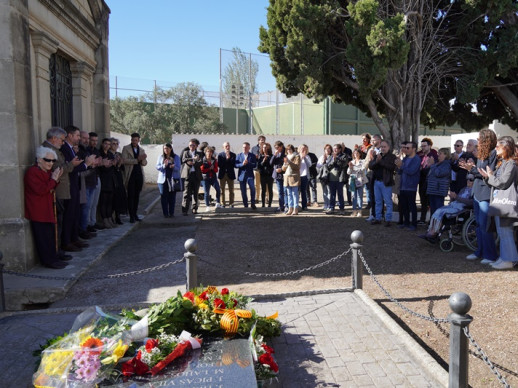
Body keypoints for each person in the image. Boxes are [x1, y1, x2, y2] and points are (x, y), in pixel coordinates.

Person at [478, 136, 517, 269]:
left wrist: (490, 177)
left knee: (506, 232)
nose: (496, 149)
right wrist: (487, 177)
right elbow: (496, 181)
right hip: (500, 202)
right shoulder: (504, 163)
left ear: (506, 147)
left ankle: (509, 260)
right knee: (501, 232)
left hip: (506, 203)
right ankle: (504, 257)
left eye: (498, 146)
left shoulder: (511, 163)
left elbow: (503, 183)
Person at [24, 146, 67, 268]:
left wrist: (55, 179)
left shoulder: (45, 172)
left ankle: (54, 256)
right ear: (39, 160)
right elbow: (41, 190)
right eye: (48, 160)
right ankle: (49, 260)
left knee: (50, 235)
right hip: (38, 210)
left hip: (47, 208)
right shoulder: (33, 172)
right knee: (43, 237)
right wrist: (54, 179)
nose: (51, 163)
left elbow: (51, 187)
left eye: (53, 161)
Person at [460, 129, 498, 264]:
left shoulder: (494, 154)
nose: (478, 142)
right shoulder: (481, 154)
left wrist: (472, 169)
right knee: (478, 224)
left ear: (486, 140)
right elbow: (479, 172)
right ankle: (480, 251)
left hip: (486, 194)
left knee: (485, 225)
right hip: (477, 193)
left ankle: (490, 254)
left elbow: (487, 174)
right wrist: (470, 168)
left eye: (480, 139)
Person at [60, 125, 95, 251]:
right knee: (69, 214)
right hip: (68, 185)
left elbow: (75, 167)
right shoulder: (64, 148)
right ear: (70, 135)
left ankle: (74, 239)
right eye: (77, 135)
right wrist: (87, 164)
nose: (79, 138)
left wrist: (86, 164)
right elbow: (71, 168)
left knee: (75, 213)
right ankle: (66, 241)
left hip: (75, 184)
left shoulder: (70, 148)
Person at [418, 177, 474, 243]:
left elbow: (471, 202)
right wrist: (452, 197)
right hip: (454, 205)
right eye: (467, 179)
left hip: (461, 208)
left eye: (470, 180)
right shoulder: (464, 189)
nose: (468, 181)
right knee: (438, 210)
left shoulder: (474, 191)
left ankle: (433, 233)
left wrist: (456, 197)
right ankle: (431, 231)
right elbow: (457, 198)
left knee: (441, 212)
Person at [369, 140, 397, 226]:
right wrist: (376, 161)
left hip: (386, 182)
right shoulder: (378, 156)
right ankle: (378, 218)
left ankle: (388, 219)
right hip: (376, 182)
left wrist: (380, 161)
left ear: (388, 147)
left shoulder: (392, 157)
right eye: (382, 147)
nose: (383, 148)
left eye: (385, 147)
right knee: (378, 201)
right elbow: (371, 166)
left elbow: (391, 167)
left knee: (388, 202)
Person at [122, 133, 148, 223]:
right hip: (130, 175)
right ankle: (131, 216)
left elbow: (144, 163)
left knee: (137, 196)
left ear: (139, 140)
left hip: (139, 175)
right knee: (130, 196)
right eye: (133, 140)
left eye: (136, 140)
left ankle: (135, 214)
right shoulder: (126, 148)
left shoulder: (141, 150)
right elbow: (124, 160)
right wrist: (137, 160)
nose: (134, 142)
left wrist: (143, 159)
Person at [395, 141, 421, 230]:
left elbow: (411, 171)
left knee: (412, 206)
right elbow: (400, 171)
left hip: (411, 187)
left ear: (414, 149)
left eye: (408, 148)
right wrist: (398, 166)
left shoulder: (417, 159)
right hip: (403, 186)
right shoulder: (405, 158)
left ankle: (413, 224)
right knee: (404, 206)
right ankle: (406, 223)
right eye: (405, 148)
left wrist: (401, 165)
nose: (405, 149)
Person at [426, 147, 452, 220]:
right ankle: (432, 224)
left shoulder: (446, 165)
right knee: (433, 208)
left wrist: (432, 165)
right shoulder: (437, 163)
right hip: (432, 190)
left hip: (439, 190)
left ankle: (438, 224)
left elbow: (439, 173)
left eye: (440, 153)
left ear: (445, 155)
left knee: (438, 208)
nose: (438, 155)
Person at [156, 143, 181, 218]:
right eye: (164, 148)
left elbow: (178, 168)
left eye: (167, 148)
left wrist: (173, 167)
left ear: (171, 149)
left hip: (173, 179)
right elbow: (157, 167)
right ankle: (165, 213)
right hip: (162, 180)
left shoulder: (176, 157)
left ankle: (171, 213)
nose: (166, 150)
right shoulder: (161, 157)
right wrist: (164, 165)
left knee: (172, 197)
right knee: (164, 197)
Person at [417, 138, 438, 224]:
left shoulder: (434, 155)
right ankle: (422, 219)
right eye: (422, 146)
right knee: (423, 200)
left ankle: (432, 220)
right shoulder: (419, 155)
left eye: (425, 146)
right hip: (421, 180)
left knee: (431, 201)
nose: (423, 148)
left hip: (430, 181)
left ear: (430, 146)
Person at [181, 139, 203, 215]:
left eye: (193, 145)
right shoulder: (186, 152)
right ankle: (184, 210)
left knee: (195, 193)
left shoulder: (199, 153)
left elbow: (201, 162)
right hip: (188, 175)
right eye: (190, 145)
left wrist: (194, 163)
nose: (192, 147)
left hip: (196, 175)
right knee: (186, 193)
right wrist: (192, 159)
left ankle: (194, 208)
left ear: (196, 146)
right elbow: (183, 159)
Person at [98, 138, 116, 228]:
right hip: (103, 180)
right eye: (105, 143)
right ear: (102, 144)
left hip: (110, 180)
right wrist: (106, 165)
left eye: (109, 144)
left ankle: (109, 218)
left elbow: (113, 165)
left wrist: (113, 163)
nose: (107, 146)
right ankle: (104, 219)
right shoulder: (99, 153)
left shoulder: (110, 154)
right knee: (103, 201)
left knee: (109, 201)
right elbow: (100, 167)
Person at [109, 138, 128, 224]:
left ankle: (118, 216)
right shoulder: (108, 154)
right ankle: (111, 217)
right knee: (112, 198)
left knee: (120, 196)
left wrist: (120, 163)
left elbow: (122, 168)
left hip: (119, 177)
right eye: (113, 143)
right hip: (111, 178)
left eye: (117, 144)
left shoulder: (119, 154)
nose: (115, 145)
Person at [326, 144, 347, 215]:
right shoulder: (331, 156)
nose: (334, 150)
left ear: (340, 149)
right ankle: (331, 208)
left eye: (336, 149)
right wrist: (333, 160)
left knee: (340, 194)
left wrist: (336, 159)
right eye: (334, 148)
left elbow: (343, 165)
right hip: (331, 178)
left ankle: (341, 209)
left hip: (339, 178)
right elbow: (327, 166)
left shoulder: (344, 156)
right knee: (332, 194)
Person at [365, 134, 383, 220]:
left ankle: (381, 214)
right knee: (372, 195)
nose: (372, 141)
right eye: (372, 140)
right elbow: (366, 161)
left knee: (380, 197)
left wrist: (375, 159)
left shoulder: (383, 150)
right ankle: (373, 214)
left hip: (380, 175)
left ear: (379, 140)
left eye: (374, 140)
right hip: (371, 174)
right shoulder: (370, 150)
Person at [235, 142, 257, 209]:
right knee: (243, 191)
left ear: (249, 148)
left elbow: (255, 165)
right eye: (243, 147)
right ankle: (245, 204)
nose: (244, 148)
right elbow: (236, 165)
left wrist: (248, 163)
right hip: (242, 176)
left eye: (246, 147)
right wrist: (242, 164)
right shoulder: (239, 155)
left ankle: (253, 203)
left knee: (252, 188)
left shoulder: (252, 155)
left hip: (250, 175)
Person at [200, 146, 222, 211]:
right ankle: (207, 206)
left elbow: (216, 170)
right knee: (206, 192)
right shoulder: (202, 160)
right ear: (205, 152)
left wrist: (213, 169)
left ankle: (217, 203)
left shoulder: (214, 160)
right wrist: (209, 169)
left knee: (218, 189)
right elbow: (202, 170)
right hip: (205, 178)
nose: (209, 153)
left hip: (213, 177)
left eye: (210, 152)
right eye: (207, 151)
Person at [347, 149, 367, 217]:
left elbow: (363, 170)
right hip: (352, 181)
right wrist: (350, 167)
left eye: (357, 153)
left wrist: (354, 168)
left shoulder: (362, 161)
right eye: (355, 153)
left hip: (360, 180)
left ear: (360, 154)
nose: (356, 154)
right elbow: (348, 172)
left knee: (360, 196)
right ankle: (354, 210)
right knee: (353, 196)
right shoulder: (351, 162)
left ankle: (360, 210)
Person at [282, 144, 301, 215]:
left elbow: (297, 167)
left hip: (294, 177)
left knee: (295, 194)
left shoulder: (297, 156)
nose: (288, 151)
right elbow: (283, 169)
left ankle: (295, 209)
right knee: (289, 194)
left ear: (293, 149)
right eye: (287, 149)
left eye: (290, 149)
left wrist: (289, 162)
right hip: (287, 177)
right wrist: (284, 164)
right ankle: (290, 208)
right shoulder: (286, 157)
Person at [217, 142, 236, 208]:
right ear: (223, 147)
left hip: (230, 174)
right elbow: (220, 165)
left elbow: (233, 164)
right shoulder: (220, 155)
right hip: (222, 174)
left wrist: (229, 159)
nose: (227, 147)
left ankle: (231, 203)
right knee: (222, 190)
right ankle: (223, 203)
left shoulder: (233, 155)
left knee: (231, 190)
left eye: (228, 146)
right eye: (226, 146)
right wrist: (227, 159)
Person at [317, 144, 333, 212]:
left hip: (330, 176)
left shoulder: (332, 157)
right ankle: (325, 204)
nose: (327, 150)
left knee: (329, 191)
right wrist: (323, 162)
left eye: (329, 148)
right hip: (323, 177)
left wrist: (326, 163)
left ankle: (329, 205)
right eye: (326, 149)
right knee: (324, 191)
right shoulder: (321, 157)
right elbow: (318, 166)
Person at [271, 141, 286, 213]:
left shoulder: (285, 153)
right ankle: (281, 206)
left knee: (285, 191)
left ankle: (287, 206)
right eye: (275, 148)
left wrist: (282, 169)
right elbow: (271, 163)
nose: (276, 149)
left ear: (281, 146)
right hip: (277, 175)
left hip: (285, 175)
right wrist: (274, 155)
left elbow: (287, 163)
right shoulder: (276, 153)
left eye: (277, 147)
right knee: (280, 192)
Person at [258, 142, 274, 207]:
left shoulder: (271, 156)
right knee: (263, 190)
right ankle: (263, 204)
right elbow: (258, 166)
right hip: (263, 175)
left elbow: (272, 165)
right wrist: (263, 161)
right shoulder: (260, 156)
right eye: (263, 147)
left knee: (270, 189)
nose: (264, 148)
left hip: (270, 175)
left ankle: (269, 204)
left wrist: (268, 160)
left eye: (266, 147)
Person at [251, 136, 266, 204]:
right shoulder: (254, 148)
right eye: (261, 140)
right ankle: (257, 198)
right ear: (258, 141)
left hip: (265, 169)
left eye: (263, 140)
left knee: (265, 184)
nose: (262, 141)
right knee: (257, 184)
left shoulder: (267, 147)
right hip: (256, 168)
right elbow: (251, 158)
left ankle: (266, 198)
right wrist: (255, 157)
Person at [298, 144, 312, 210]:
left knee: (304, 191)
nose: (303, 150)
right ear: (299, 149)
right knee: (297, 191)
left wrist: (305, 158)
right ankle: (296, 205)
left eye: (305, 149)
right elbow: (296, 164)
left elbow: (309, 165)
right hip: (297, 176)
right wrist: (301, 158)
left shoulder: (308, 156)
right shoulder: (296, 156)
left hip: (305, 176)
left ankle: (304, 206)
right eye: (302, 148)